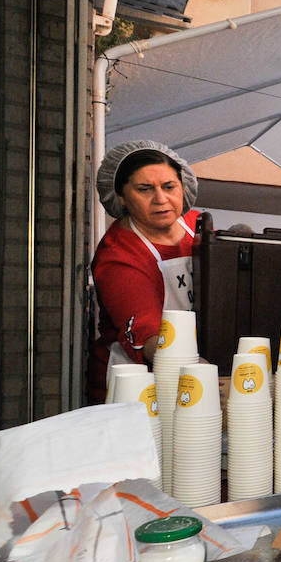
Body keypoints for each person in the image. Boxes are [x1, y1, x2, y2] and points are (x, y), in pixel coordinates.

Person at [88, 140, 201, 403]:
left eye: (169, 187)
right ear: (121, 197)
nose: (161, 199)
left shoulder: (199, 228)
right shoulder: (118, 256)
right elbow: (149, 337)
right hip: (137, 388)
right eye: (144, 189)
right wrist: (198, 370)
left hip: (191, 370)